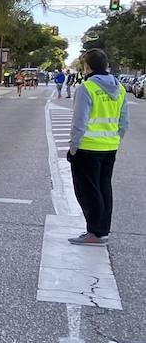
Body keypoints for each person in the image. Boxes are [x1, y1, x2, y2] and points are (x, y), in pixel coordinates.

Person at [66, 48, 129, 246]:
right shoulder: (119, 88)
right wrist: (115, 140)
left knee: (87, 190)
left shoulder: (87, 88)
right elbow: (124, 122)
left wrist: (73, 147)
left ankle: (94, 232)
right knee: (104, 188)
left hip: (87, 147)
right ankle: (102, 231)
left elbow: (79, 122)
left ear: (87, 66)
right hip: (110, 147)